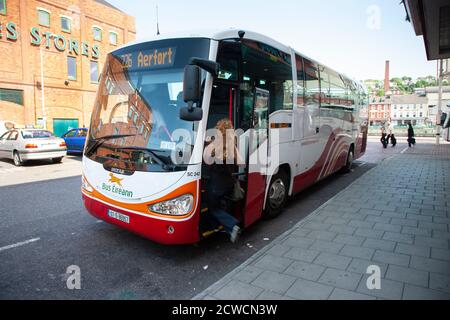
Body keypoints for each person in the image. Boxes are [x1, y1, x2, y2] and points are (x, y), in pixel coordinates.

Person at [204, 119, 243, 243]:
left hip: (216, 185)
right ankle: (223, 229)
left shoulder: (213, 144)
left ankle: (232, 225)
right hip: (229, 184)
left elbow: (206, 160)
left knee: (212, 208)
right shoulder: (232, 145)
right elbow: (241, 162)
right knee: (221, 204)